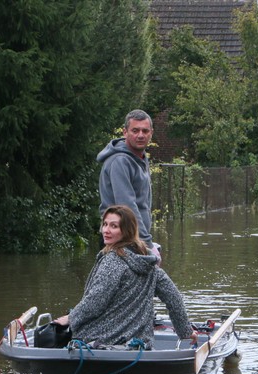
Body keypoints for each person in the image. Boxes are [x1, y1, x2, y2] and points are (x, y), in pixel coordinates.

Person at [54, 205, 196, 348]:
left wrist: (70, 318)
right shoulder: (150, 264)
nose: (106, 230)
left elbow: (96, 301)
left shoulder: (112, 260)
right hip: (139, 343)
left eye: (114, 226)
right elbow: (174, 297)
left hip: (100, 339)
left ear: (127, 231)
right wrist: (186, 332)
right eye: (105, 224)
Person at [97, 109, 160, 260]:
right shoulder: (120, 161)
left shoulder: (139, 158)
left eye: (145, 131)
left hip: (133, 240)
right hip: (120, 241)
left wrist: (145, 241)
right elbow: (127, 207)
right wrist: (147, 245)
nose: (140, 135)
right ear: (125, 132)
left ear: (151, 133)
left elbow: (141, 203)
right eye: (135, 130)